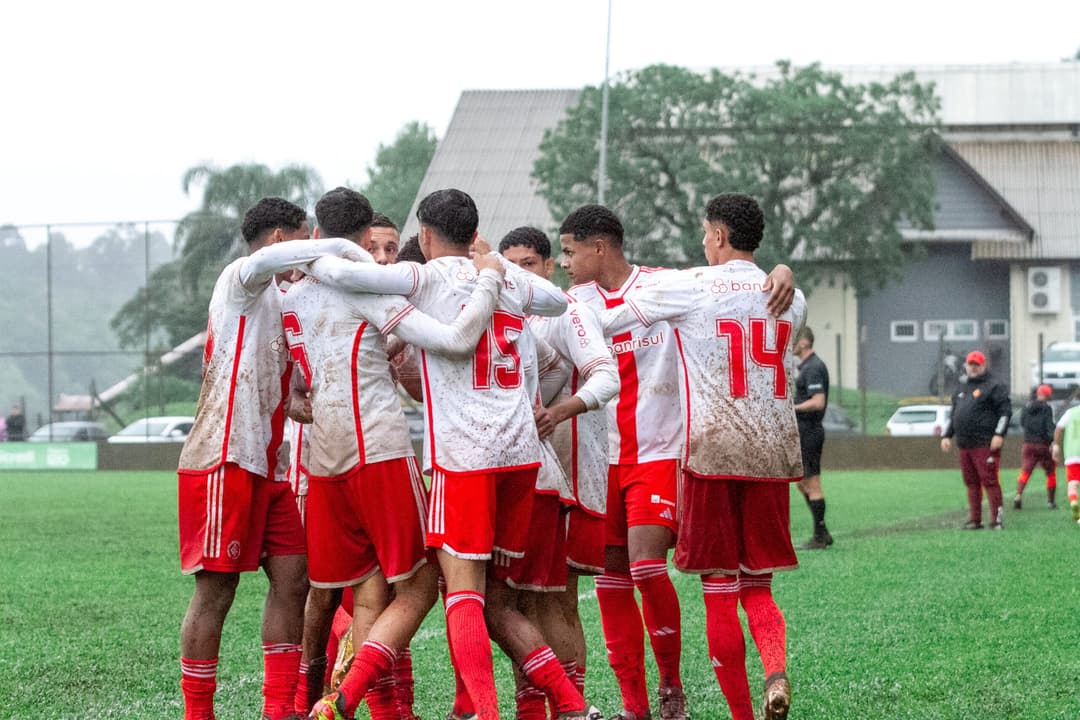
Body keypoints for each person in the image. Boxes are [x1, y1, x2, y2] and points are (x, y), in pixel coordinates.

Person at [305, 189, 598, 720]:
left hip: (465, 457)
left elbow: (353, 278)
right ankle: (573, 706)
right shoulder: (508, 277)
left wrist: (309, 259)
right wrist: (497, 268)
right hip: (520, 457)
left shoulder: (426, 277)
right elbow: (558, 300)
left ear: (425, 236)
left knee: (463, 596)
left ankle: (481, 712)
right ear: (474, 230)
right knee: (500, 602)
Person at [559, 204, 793, 720]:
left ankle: (671, 689)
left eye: (569, 251)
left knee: (649, 568)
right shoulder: (573, 301)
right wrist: (777, 272)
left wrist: (777, 271)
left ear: (600, 248)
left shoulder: (672, 284)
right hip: (604, 458)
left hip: (664, 451)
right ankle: (635, 707)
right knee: (613, 581)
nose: (561, 262)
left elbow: (731, 283)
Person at [286, 194, 506, 720]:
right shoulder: (366, 291)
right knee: (420, 586)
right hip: (379, 452)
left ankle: (358, 709)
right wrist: (491, 278)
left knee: (366, 594)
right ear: (363, 241)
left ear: (317, 234)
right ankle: (346, 699)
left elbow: (298, 390)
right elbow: (455, 341)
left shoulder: (292, 297)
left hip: (324, 462)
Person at [177, 197, 359, 720]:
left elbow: (293, 383)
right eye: (303, 238)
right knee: (217, 590)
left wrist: (302, 399)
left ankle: (279, 711)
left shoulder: (285, 300)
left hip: (269, 468)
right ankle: (198, 714)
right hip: (222, 458)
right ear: (283, 239)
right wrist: (343, 245)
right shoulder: (241, 277)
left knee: (296, 578)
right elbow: (263, 265)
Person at [498, 226, 621, 714]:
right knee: (522, 602)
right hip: (532, 474)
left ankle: (573, 705)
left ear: (548, 268)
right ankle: (539, 706)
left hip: (573, 471)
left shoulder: (568, 310)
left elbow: (605, 373)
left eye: (527, 264)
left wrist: (558, 410)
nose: (518, 274)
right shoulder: (507, 314)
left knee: (557, 601)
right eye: (508, 266)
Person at [940, 350, 1012, 530]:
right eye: (970, 364)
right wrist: (947, 435)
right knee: (971, 483)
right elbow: (955, 414)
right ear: (965, 365)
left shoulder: (994, 386)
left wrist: (998, 434)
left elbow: (1005, 412)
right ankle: (975, 519)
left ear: (983, 365)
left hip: (985, 443)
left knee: (989, 480)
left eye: (976, 364)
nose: (972, 368)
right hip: (965, 444)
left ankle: (997, 519)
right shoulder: (961, 388)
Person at [793, 326, 833, 549]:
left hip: (810, 430)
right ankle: (822, 531)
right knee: (801, 483)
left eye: (793, 339)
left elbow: (818, 402)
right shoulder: (806, 367)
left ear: (804, 343)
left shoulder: (814, 367)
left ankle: (820, 535)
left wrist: (792, 407)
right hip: (804, 431)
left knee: (812, 482)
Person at [1014, 384, 1057, 510]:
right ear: (1047, 395)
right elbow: (1049, 427)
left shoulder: (1026, 407)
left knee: (1025, 471)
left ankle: (1018, 494)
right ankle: (1051, 502)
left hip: (1028, 444)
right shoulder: (1047, 408)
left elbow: (1022, 422)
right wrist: (1052, 442)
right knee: (1050, 473)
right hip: (1043, 445)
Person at [1052, 393, 1080, 524]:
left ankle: (1074, 502)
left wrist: (1056, 445)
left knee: (1073, 482)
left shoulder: (1071, 412)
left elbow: (1058, 429)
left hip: (1072, 454)